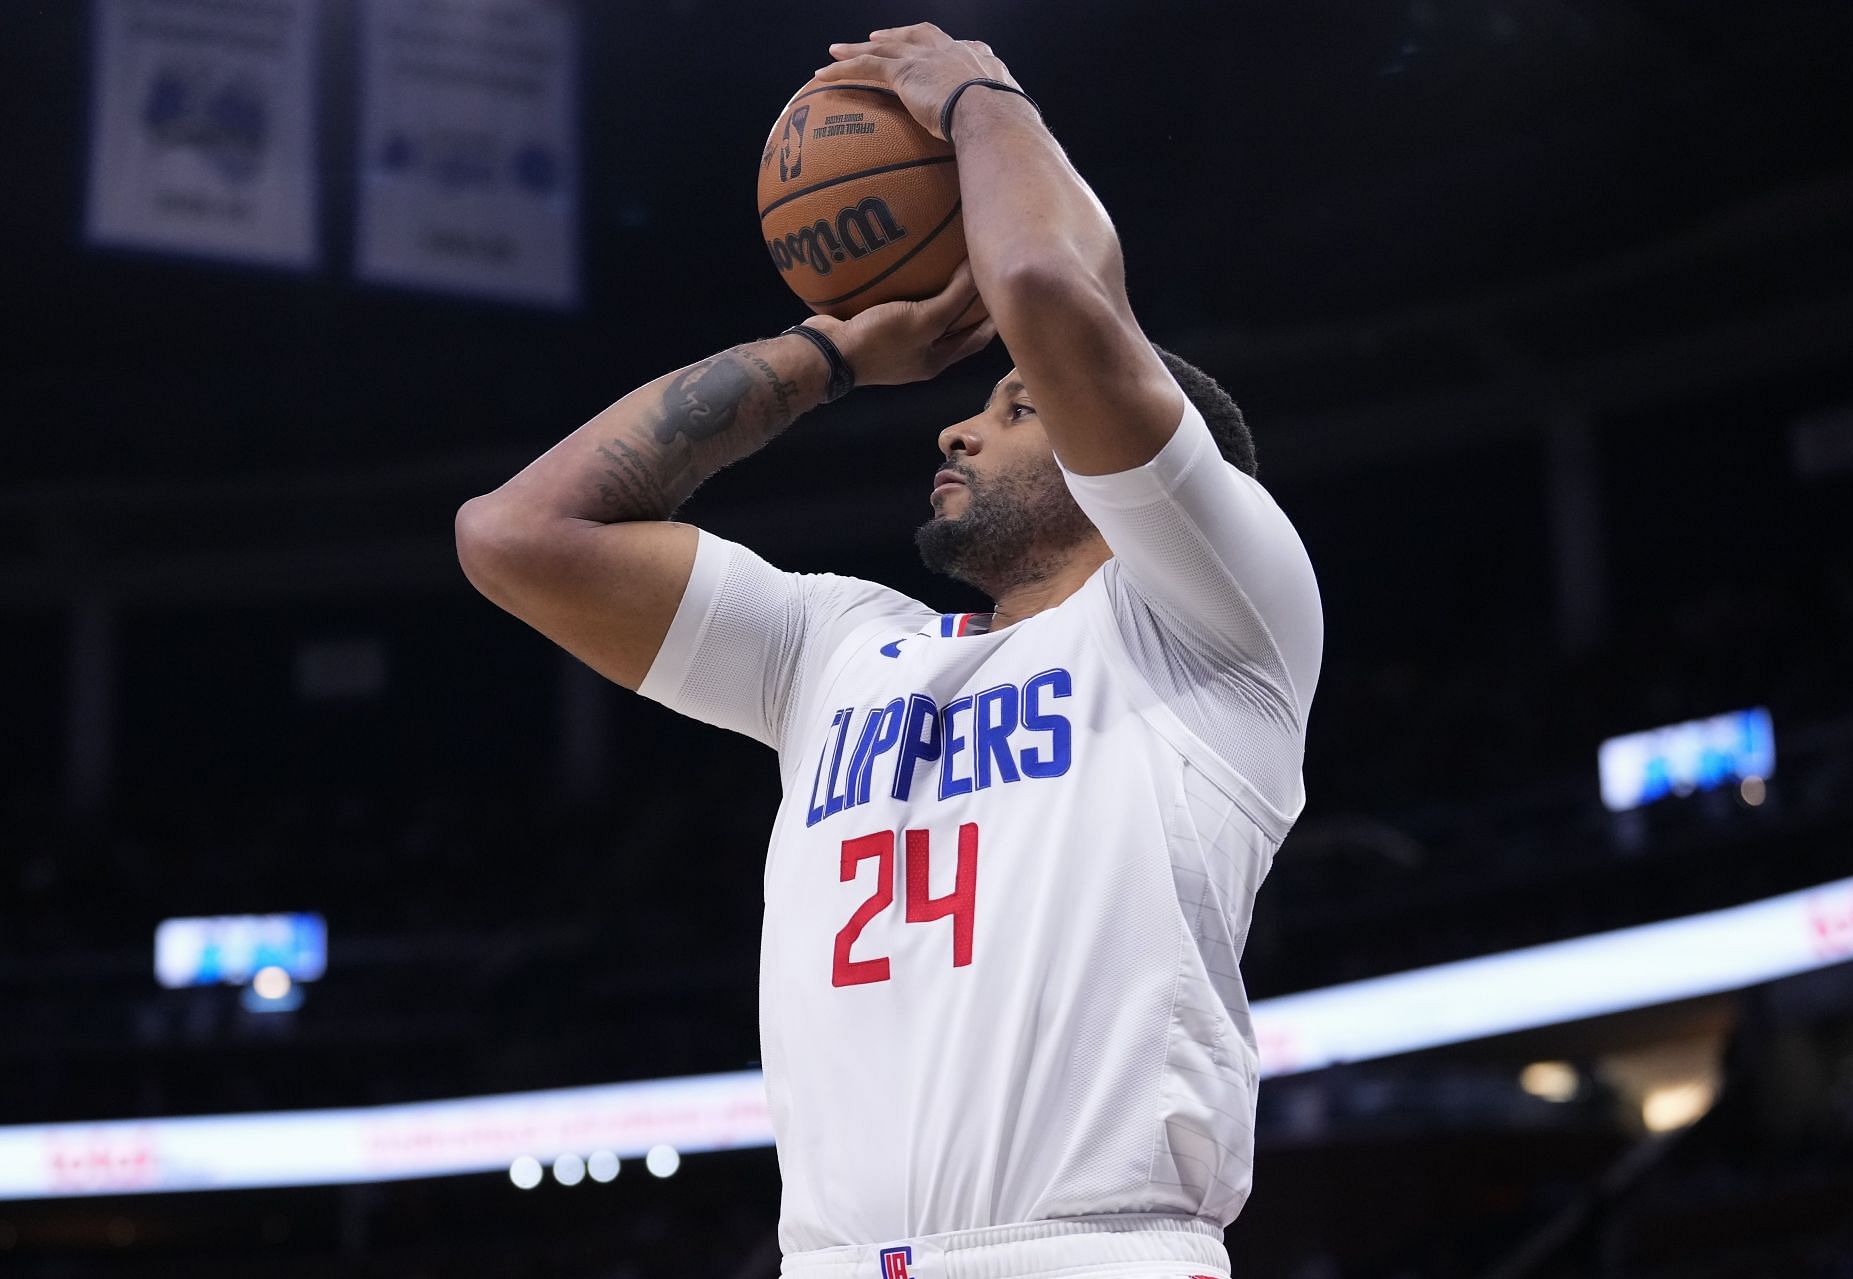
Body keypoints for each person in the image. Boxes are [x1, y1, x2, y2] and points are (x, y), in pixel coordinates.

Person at [455, 24, 1321, 1279]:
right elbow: (518, 535)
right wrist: (833, 353)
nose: (961, 432)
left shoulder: (1216, 620)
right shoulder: (838, 648)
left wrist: (979, 96)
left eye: (1015, 405)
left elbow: (1047, 291)